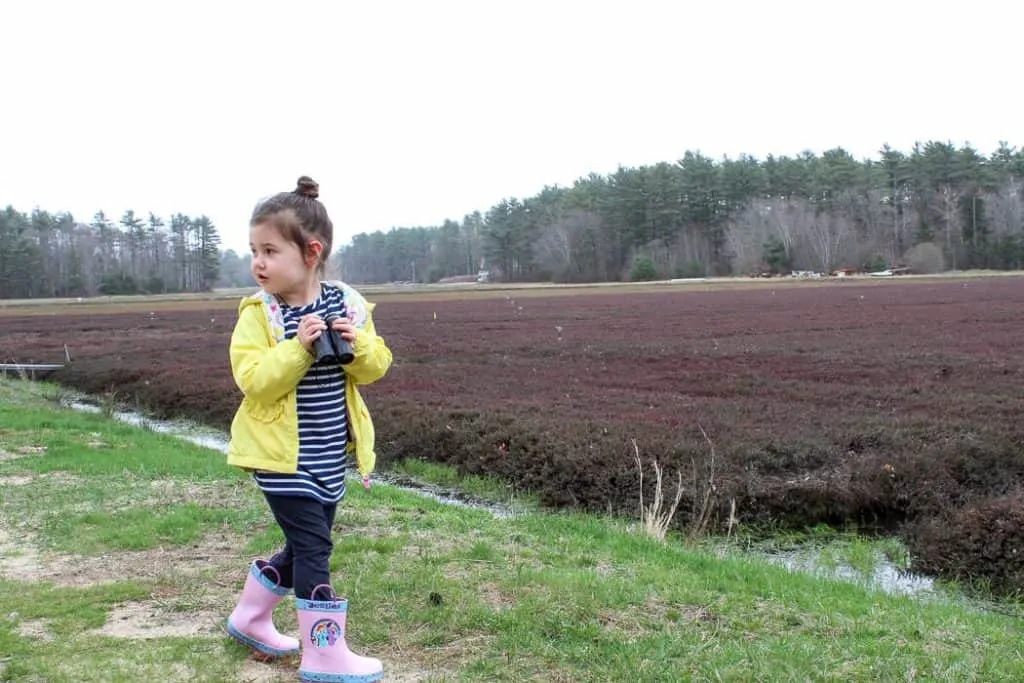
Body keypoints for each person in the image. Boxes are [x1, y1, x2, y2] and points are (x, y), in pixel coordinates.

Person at [223, 176, 392, 682]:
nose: (258, 262)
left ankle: (250, 617)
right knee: (317, 549)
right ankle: (323, 653)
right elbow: (253, 382)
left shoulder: (349, 305)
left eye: (270, 251)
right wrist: (297, 347)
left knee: (301, 549)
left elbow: (377, 365)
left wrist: (356, 344)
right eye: (254, 250)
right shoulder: (261, 315)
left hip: (328, 455)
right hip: (279, 458)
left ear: (311, 252)